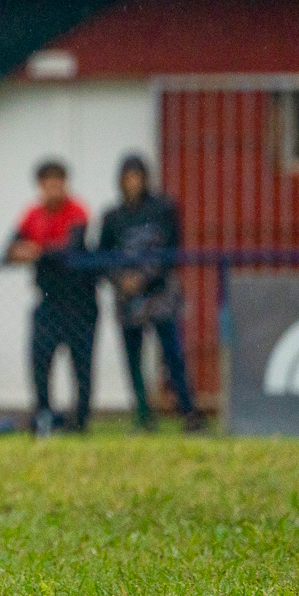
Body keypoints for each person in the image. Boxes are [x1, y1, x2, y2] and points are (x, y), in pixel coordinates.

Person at [99, 154, 204, 432]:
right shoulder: (113, 217)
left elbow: (172, 250)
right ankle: (144, 416)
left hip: (160, 294)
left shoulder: (163, 209)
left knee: (172, 355)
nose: (133, 182)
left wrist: (145, 278)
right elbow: (101, 257)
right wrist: (121, 280)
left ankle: (189, 412)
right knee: (133, 357)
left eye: (137, 176)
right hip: (127, 297)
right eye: (128, 177)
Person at [7, 160, 97, 436]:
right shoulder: (32, 214)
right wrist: (25, 251)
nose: (53, 188)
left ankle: (80, 421)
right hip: (48, 299)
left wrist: (37, 251)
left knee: (81, 363)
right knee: (40, 359)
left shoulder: (77, 210)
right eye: (47, 183)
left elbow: (72, 248)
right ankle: (43, 415)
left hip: (80, 301)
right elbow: (8, 251)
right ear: (40, 186)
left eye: (58, 182)